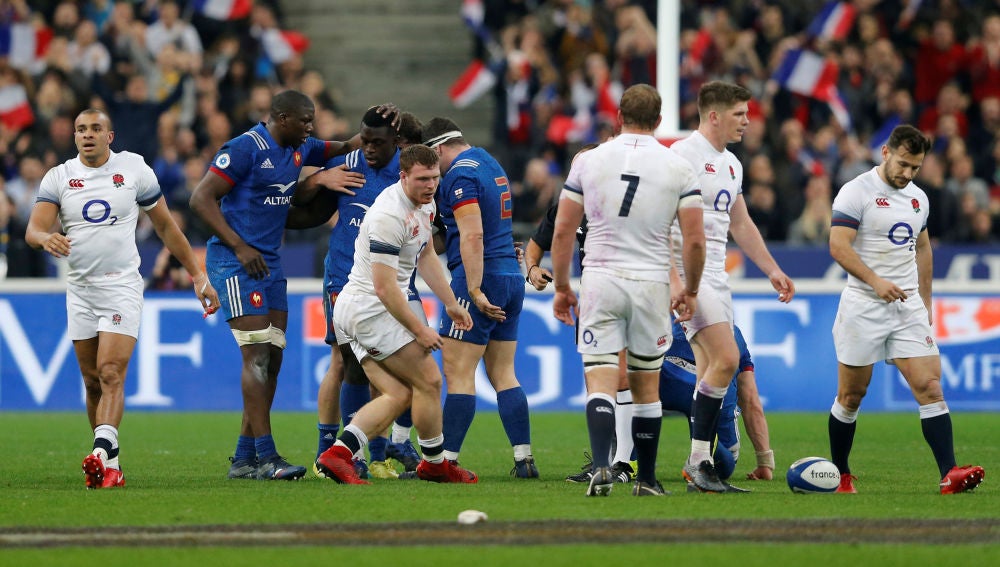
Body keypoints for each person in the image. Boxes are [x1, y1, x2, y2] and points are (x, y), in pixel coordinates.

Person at [188, 90, 384, 481]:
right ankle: (267, 455)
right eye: (304, 120)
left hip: (269, 263)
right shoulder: (245, 148)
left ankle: (244, 459)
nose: (311, 128)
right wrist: (240, 247)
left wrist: (379, 121)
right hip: (235, 261)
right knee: (257, 357)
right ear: (280, 118)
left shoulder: (300, 148)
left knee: (272, 360)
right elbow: (200, 198)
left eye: (312, 121)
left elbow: (345, 145)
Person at [24, 108, 219, 489]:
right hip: (79, 289)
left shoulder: (133, 169)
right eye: (81, 129)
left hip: (121, 286)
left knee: (112, 372)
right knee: (92, 381)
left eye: (96, 128)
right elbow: (34, 228)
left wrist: (198, 274)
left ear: (110, 136)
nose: (87, 134)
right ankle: (111, 466)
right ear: (75, 137)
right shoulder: (59, 177)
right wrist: (45, 238)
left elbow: (165, 225)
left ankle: (98, 452)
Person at [550, 83, 706, 497]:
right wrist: (689, 289)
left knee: (600, 379)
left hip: (600, 278)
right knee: (645, 385)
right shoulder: (678, 168)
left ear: (618, 116)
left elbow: (564, 228)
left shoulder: (589, 161)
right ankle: (646, 480)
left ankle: (603, 466)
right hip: (650, 281)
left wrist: (563, 286)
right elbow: (693, 240)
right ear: (658, 121)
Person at [828, 124, 985, 494]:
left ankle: (950, 474)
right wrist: (875, 281)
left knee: (930, 387)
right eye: (902, 164)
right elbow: (838, 246)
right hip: (863, 304)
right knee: (851, 396)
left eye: (915, 167)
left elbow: (923, 248)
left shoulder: (918, 199)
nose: (907, 174)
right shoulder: (856, 191)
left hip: (907, 307)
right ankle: (840, 473)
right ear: (886, 152)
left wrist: (925, 302)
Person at [313, 144, 478, 485]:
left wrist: (449, 301)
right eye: (422, 179)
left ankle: (337, 455)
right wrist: (419, 330)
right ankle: (435, 465)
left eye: (435, 177)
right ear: (403, 177)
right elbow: (386, 288)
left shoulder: (426, 202)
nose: (431, 185)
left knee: (399, 394)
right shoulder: (389, 215)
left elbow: (426, 254)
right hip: (369, 309)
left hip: (360, 310)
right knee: (429, 380)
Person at [668, 81, 794, 494]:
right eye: (740, 113)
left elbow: (740, 223)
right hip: (689, 277)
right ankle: (698, 462)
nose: (747, 121)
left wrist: (771, 269)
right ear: (715, 115)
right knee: (728, 358)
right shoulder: (680, 157)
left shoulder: (733, 164)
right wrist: (672, 280)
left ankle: (699, 467)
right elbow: (656, 224)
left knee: (710, 369)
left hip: (717, 278)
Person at [294, 106, 422, 480]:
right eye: (364, 140)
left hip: (395, 284)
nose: (367, 149)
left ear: (396, 143)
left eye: (377, 143)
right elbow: (301, 201)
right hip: (345, 279)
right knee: (345, 363)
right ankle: (334, 453)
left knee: (391, 367)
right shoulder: (349, 163)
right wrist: (317, 181)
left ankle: (377, 455)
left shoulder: (410, 171)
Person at [421, 116, 539, 478]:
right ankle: (524, 459)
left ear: (438, 148)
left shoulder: (460, 175)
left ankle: (447, 461)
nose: (430, 173)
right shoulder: (489, 162)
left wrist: (472, 288)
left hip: (480, 277)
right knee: (504, 373)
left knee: (458, 374)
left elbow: (472, 235)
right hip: (510, 276)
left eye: (430, 161)